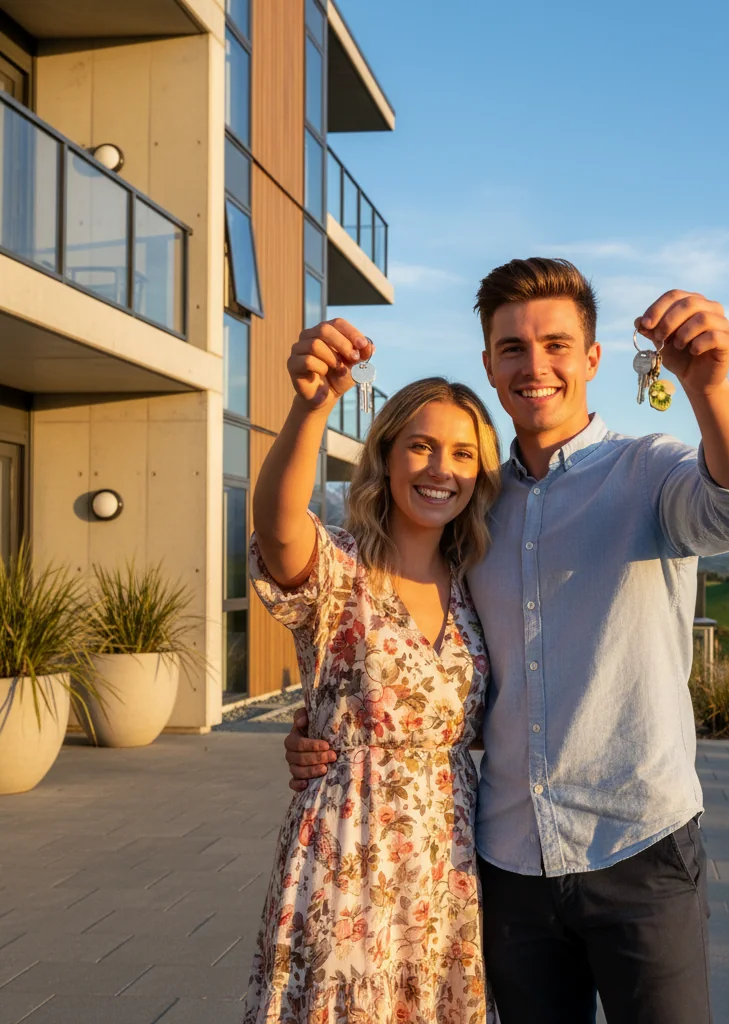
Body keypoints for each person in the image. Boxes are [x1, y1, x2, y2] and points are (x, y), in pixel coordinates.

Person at [285, 258, 729, 1024]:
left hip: (639, 846)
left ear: (591, 359)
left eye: (556, 345)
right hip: (506, 857)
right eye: (512, 348)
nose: (535, 365)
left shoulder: (649, 471)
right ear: (489, 364)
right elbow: (412, 650)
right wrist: (329, 728)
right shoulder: (471, 505)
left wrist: (710, 387)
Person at [243, 320, 502, 1023]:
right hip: (345, 851)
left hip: (450, 860)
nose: (439, 468)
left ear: (480, 473)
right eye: (419, 446)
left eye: (460, 453)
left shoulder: (482, 585)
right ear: (386, 456)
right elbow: (276, 521)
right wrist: (311, 406)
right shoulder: (340, 568)